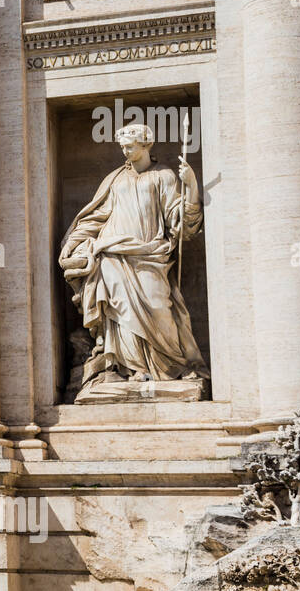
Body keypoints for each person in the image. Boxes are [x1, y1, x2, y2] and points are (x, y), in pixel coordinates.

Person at [59, 123, 208, 393]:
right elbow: (97, 216)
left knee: (157, 305)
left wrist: (192, 186)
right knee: (120, 310)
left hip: (150, 253)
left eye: (130, 146)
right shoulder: (115, 179)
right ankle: (132, 369)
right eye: (123, 147)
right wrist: (75, 241)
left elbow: (181, 221)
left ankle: (167, 367)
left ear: (146, 145)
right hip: (113, 253)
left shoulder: (163, 176)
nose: (125, 151)